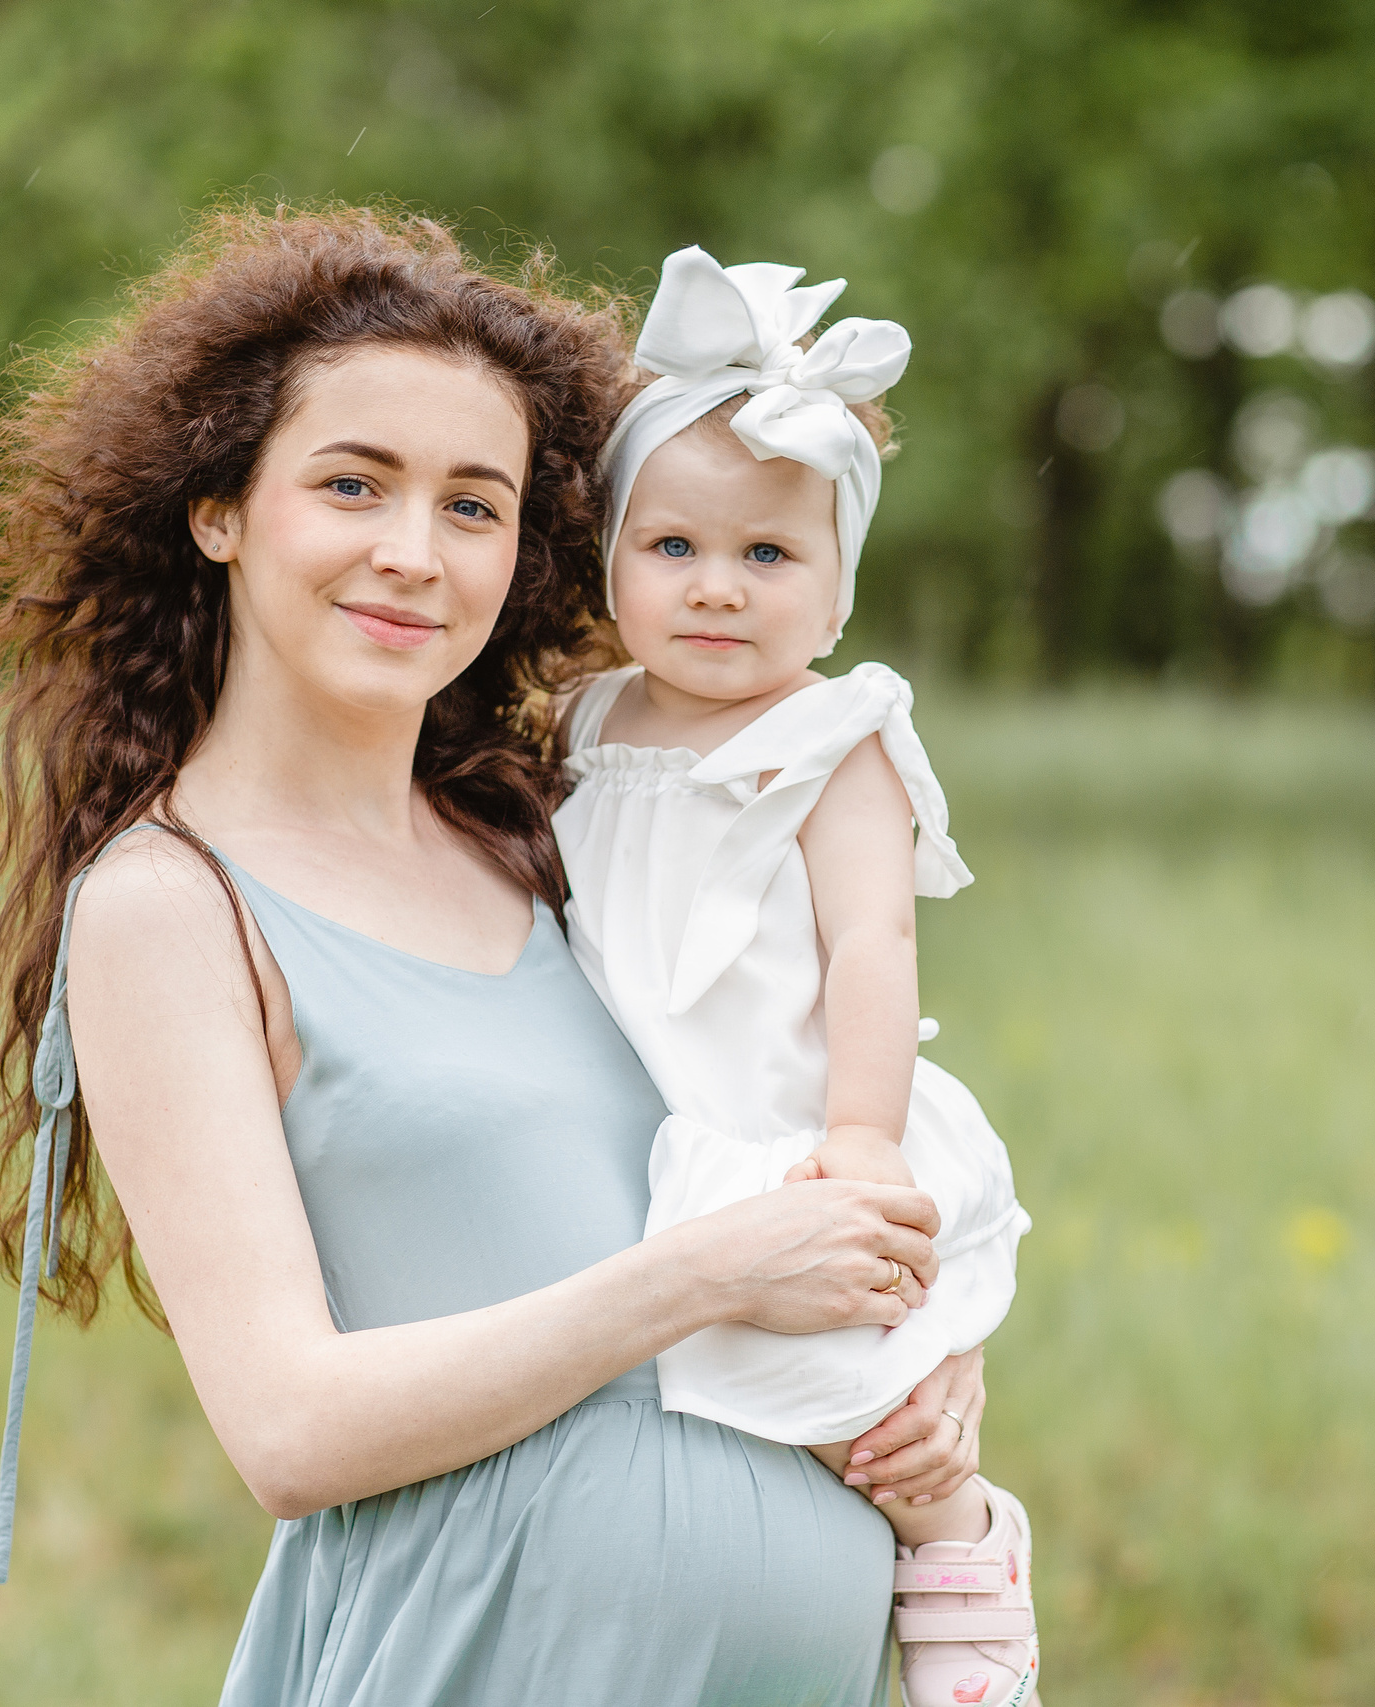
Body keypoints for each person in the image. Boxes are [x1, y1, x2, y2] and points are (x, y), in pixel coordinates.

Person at [0, 207, 990, 1705]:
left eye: (474, 506)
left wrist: (912, 1364)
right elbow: (290, 1433)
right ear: (220, 509)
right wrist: (707, 1273)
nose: (413, 554)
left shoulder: (552, 839)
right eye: (353, 485)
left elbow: (778, 1118)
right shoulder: (176, 906)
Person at [554, 246, 1039, 1707]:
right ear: (613, 565)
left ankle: (964, 1576)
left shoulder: (837, 740)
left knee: (867, 1409)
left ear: (835, 594)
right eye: (675, 550)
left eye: (769, 556)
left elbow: (873, 949)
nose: (718, 590)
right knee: (729, 1380)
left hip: (790, 1118)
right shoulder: (578, 724)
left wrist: (860, 1140)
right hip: (662, 1125)